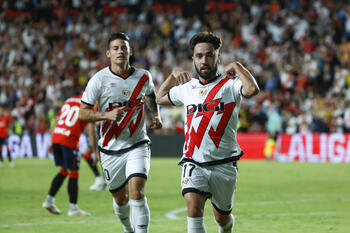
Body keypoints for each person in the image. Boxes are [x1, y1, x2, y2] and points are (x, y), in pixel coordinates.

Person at [156, 32, 259, 233]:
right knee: (194, 210)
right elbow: (159, 98)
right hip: (193, 161)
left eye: (210, 55)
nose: (204, 60)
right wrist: (171, 77)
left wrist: (237, 66)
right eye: (199, 56)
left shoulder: (229, 85)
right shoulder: (187, 87)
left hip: (224, 164)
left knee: (222, 218)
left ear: (218, 58)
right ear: (193, 58)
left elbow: (252, 90)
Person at [79, 32, 162, 233]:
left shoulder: (143, 76)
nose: (120, 51)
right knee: (120, 198)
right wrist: (106, 116)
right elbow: (82, 113)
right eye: (115, 48)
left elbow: (150, 95)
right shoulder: (99, 80)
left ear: (130, 51)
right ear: (108, 53)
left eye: (124, 47)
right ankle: (127, 228)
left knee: (137, 192)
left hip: (137, 143)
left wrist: (156, 116)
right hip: (110, 149)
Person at [42, 94, 97, 216]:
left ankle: (49, 200)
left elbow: (57, 120)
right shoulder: (89, 104)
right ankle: (73, 208)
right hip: (69, 140)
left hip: (57, 136)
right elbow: (92, 131)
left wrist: (52, 140)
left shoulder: (69, 99)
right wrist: (95, 151)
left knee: (64, 170)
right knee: (73, 172)